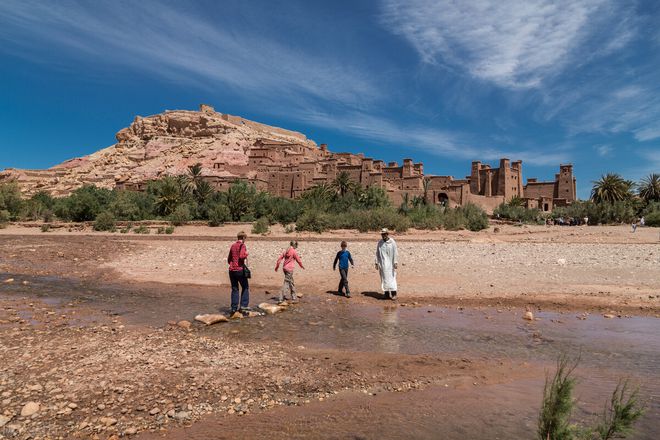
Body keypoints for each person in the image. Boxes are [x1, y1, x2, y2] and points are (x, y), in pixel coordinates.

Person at [227, 231, 250, 318]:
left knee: (235, 289)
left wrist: (233, 264)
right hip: (239, 270)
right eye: (245, 238)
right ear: (243, 238)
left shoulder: (233, 245)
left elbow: (229, 259)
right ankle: (243, 306)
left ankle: (233, 308)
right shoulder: (242, 245)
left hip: (231, 270)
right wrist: (246, 254)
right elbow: (241, 256)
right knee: (245, 287)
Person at [275, 240, 304, 304]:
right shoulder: (293, 251)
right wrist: (301, 266)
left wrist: (277, 267)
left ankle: (294, 297)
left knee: (291, 282)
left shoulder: (286, 250)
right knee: (286, 283)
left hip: (285, 268)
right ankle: (281, 298)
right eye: (296, 246)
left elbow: (279, 259)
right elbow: (298, 260)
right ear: (294, 245)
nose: (296, 247)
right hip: (289, 270)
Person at [375, 228, 398, 300]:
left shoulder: (392, 242)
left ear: (387, 234)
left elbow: (395, 252)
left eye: (384, 234)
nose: (383, 235)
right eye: (382, 234)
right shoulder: (380, 243)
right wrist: (376, 262)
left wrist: (395, 262)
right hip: (383, 264)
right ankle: (386, 294)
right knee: (384, 279)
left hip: (391, 264)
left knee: (392, 278)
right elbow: (377, 253)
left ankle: (394, 294)